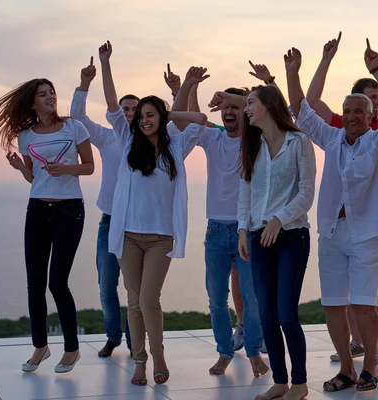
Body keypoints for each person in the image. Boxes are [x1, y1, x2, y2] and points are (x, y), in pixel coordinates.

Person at [285, 46, 378, 392]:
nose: (352, 116)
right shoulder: (333, 138)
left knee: (363, 304)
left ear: (371, 117)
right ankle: (347, 369)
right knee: (333, 304)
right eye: (348, 111)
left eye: (359, 111)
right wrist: (293, 72)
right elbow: (302, 112)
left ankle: (370, 364)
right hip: (332, 233)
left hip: (368, 234)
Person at [99, 41, 208, 386]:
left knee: (149, 299)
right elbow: (113, 108)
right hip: (128, 235)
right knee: (133, 302)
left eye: (150, 115)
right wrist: (105, 64)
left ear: (159, 117)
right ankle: (141, 362)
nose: (143, 120)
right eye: (140, 115)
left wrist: (171, 107)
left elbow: (202, 119)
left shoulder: (176, 146)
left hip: (160, 237)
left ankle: (158, 354)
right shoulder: (128, 143)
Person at [0, 78, 95, 373]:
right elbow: (34, 178)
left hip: (69, 210)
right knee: (35, 285)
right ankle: (40, 347)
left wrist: (66, 169)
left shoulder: (74, 128)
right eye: (43, 94)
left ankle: (71, 349)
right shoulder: (26, 136)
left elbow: (90, 167)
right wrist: (21, 168)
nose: (50, 97)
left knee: (58, 282)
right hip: (38, 209)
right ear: (32, 103)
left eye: (52, 92)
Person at [209, 84, 316, 400]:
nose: (246, 109)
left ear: (268, 105)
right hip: (256, 237)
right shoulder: (251, 144)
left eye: (250, 103)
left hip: (291, 236)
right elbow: (246, 191)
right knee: (267, 314)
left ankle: (300, 383)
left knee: (286, 314)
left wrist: (279, 219)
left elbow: (306, 192)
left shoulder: (299, 142)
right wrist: (243, 229)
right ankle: (280, 382)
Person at [171, 72, 269, 378]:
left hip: (247, 231)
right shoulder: (212, 137)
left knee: (251, 298)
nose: (229, 112)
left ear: (246, 111)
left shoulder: (256, 139)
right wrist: (192, 86)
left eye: (235, 107)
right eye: (225, 108)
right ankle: (225, 352)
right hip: (215, 232)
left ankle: (253, 352)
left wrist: (237, 98)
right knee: (216, 299)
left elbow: (270, 109)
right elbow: (189, 122)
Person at [70, 57, 137, 358]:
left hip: (137, 224)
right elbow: (76, 117)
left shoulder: (148, 143)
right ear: (118, 112)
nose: (130, 112)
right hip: (109, 222)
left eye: (135, 108)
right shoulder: (107, 137)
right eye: (126, 108)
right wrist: (84, 85)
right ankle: (113, 337)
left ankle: (137, 341)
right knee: (106, 286)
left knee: (135, 290)